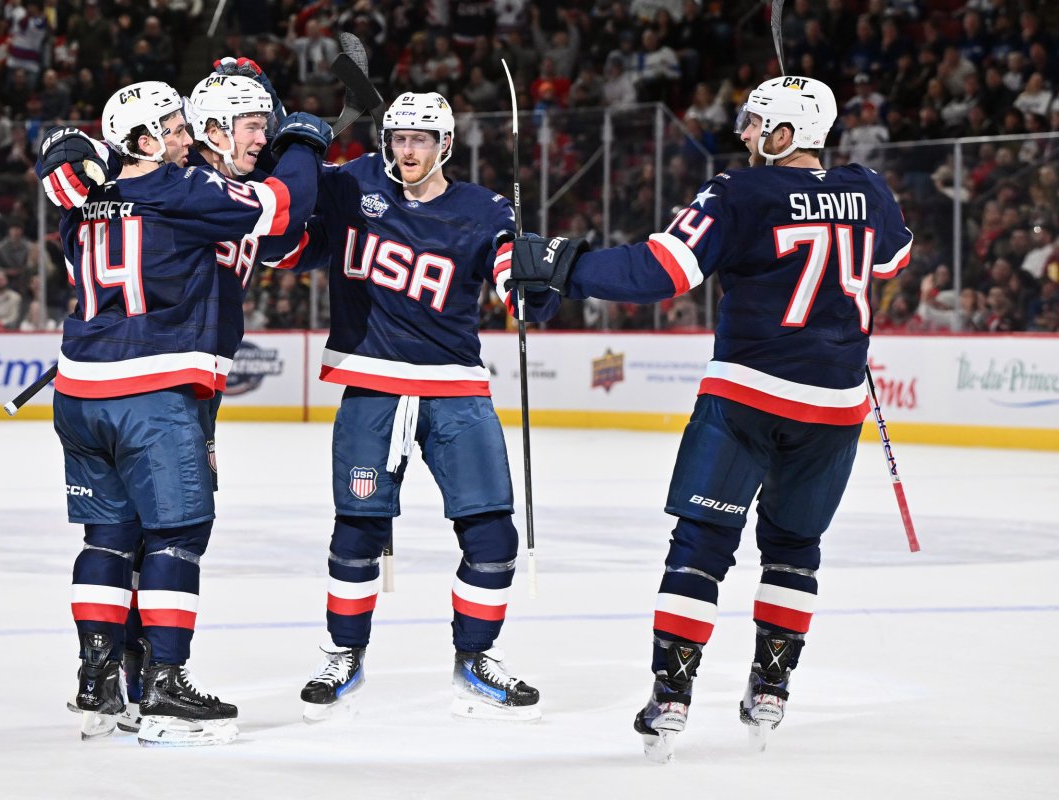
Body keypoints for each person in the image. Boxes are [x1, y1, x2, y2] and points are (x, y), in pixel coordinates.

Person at [501, 75, 913, 760]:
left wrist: (564, 266)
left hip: (747, 397)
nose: (746, 134)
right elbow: (893, 256)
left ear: (786, 135)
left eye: (757, 125)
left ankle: (672, 694)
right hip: (836, 408)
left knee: (701, 543)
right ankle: (772, 686)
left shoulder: (740, 192)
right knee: (794, 549)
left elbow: (659, 272)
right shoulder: (868, 186)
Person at [37, 79, 330, 746]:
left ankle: (99, 684)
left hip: (82, 390)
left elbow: (69, 165)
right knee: (176, 537)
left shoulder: (83, 197)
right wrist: (306, 143)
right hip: (155, 387)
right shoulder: (182, 187)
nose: (183, 138)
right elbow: (281, 210)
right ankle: (167, 686)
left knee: (108, 540)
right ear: (141, 140)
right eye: (170, 128)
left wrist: (59, 146)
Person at [284, 92, 542, 722]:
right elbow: (286, 239)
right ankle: (343, 652)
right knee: (357, 531)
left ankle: (475, 659)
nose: (408, 150)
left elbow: (510, 270)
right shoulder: (351, 185)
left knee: (493, 537)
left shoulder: (484, 209)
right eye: (399, 137)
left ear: (446, 145)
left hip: (455, 387)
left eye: (422, 139)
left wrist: (527, 282)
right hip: (371, 384)